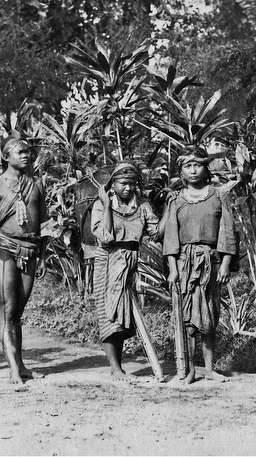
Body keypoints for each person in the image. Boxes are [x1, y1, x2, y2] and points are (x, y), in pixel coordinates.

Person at [0, 133, 47, 384]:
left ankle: (21, 365)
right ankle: (13, 368)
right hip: (5, 250)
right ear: (6, 157)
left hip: (31, 250)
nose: (26, 155)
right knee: (7, 310)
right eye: (20, 152)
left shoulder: (36, 185)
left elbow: (44, 224)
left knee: (17, 311)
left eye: (28, 151)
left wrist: (44, 256)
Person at [162, 146, 236, 384]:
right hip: (185, 264)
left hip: (211, 262)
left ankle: (210, 368)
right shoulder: (176, 199)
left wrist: (225, 262)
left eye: (197, 165)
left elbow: (228, 230)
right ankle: (191, 369)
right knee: (189, 318)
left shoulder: (218, 195)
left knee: (209, 315)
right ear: (181, 172)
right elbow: (171, 235)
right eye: (187, 166)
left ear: (206, 168)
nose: (193, 170)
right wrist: (173, 268)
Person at [90, 162, 161, 381]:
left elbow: (155, 232)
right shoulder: (101, 205)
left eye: (132, 183)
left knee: (124, 315)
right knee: (109, 313)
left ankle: (120, 366)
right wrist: (107, 205)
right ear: (112, 184)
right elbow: (106, 236)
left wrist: (170, 208)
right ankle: (115, 367)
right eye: (122, 183)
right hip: (107, 261)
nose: (128, 188)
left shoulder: (142, 205)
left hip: (132, 261)